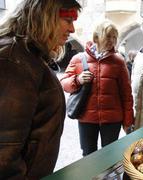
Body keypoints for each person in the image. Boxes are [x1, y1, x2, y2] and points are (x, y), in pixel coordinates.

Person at [0, 0, 81, 179]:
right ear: (46, 16)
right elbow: (4, 157)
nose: (72, 29)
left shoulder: (24, 54)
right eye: (68, 20)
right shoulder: (13, 61)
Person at [60, 21, 134, 156]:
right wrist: (78, 79)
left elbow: (126, 93)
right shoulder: (78, 59)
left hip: (112, 119)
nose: (112, 40)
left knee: (109, 155)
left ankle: (108, 178)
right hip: (87, 118)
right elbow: (63, 83)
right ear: (96, 38)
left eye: (114, 37)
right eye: (108, 36)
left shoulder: (118, 61)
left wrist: (128, 121)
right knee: (88, 155)